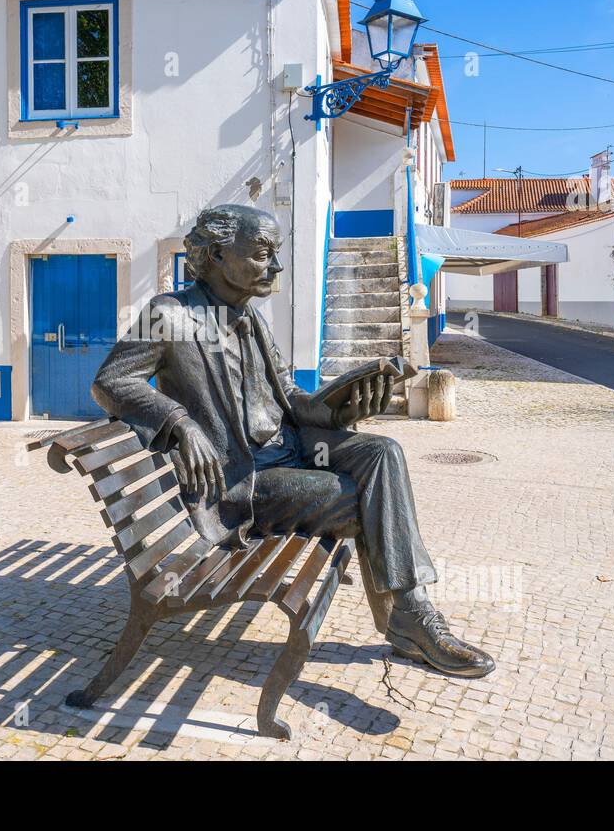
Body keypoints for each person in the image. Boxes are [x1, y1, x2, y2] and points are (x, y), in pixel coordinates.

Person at [92, 204, 494, 678]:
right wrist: (180, 422)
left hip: (294, 450)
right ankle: (412, 618)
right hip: (246, 479)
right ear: (218, 254)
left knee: (383, 452)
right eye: (263, 254)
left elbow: (291, 396)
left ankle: (410, 615)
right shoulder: (170, 314)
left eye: (275, 253)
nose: (276, 267)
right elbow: (111, 382)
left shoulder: (252, 319)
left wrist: (344, 406)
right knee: (366, 500)